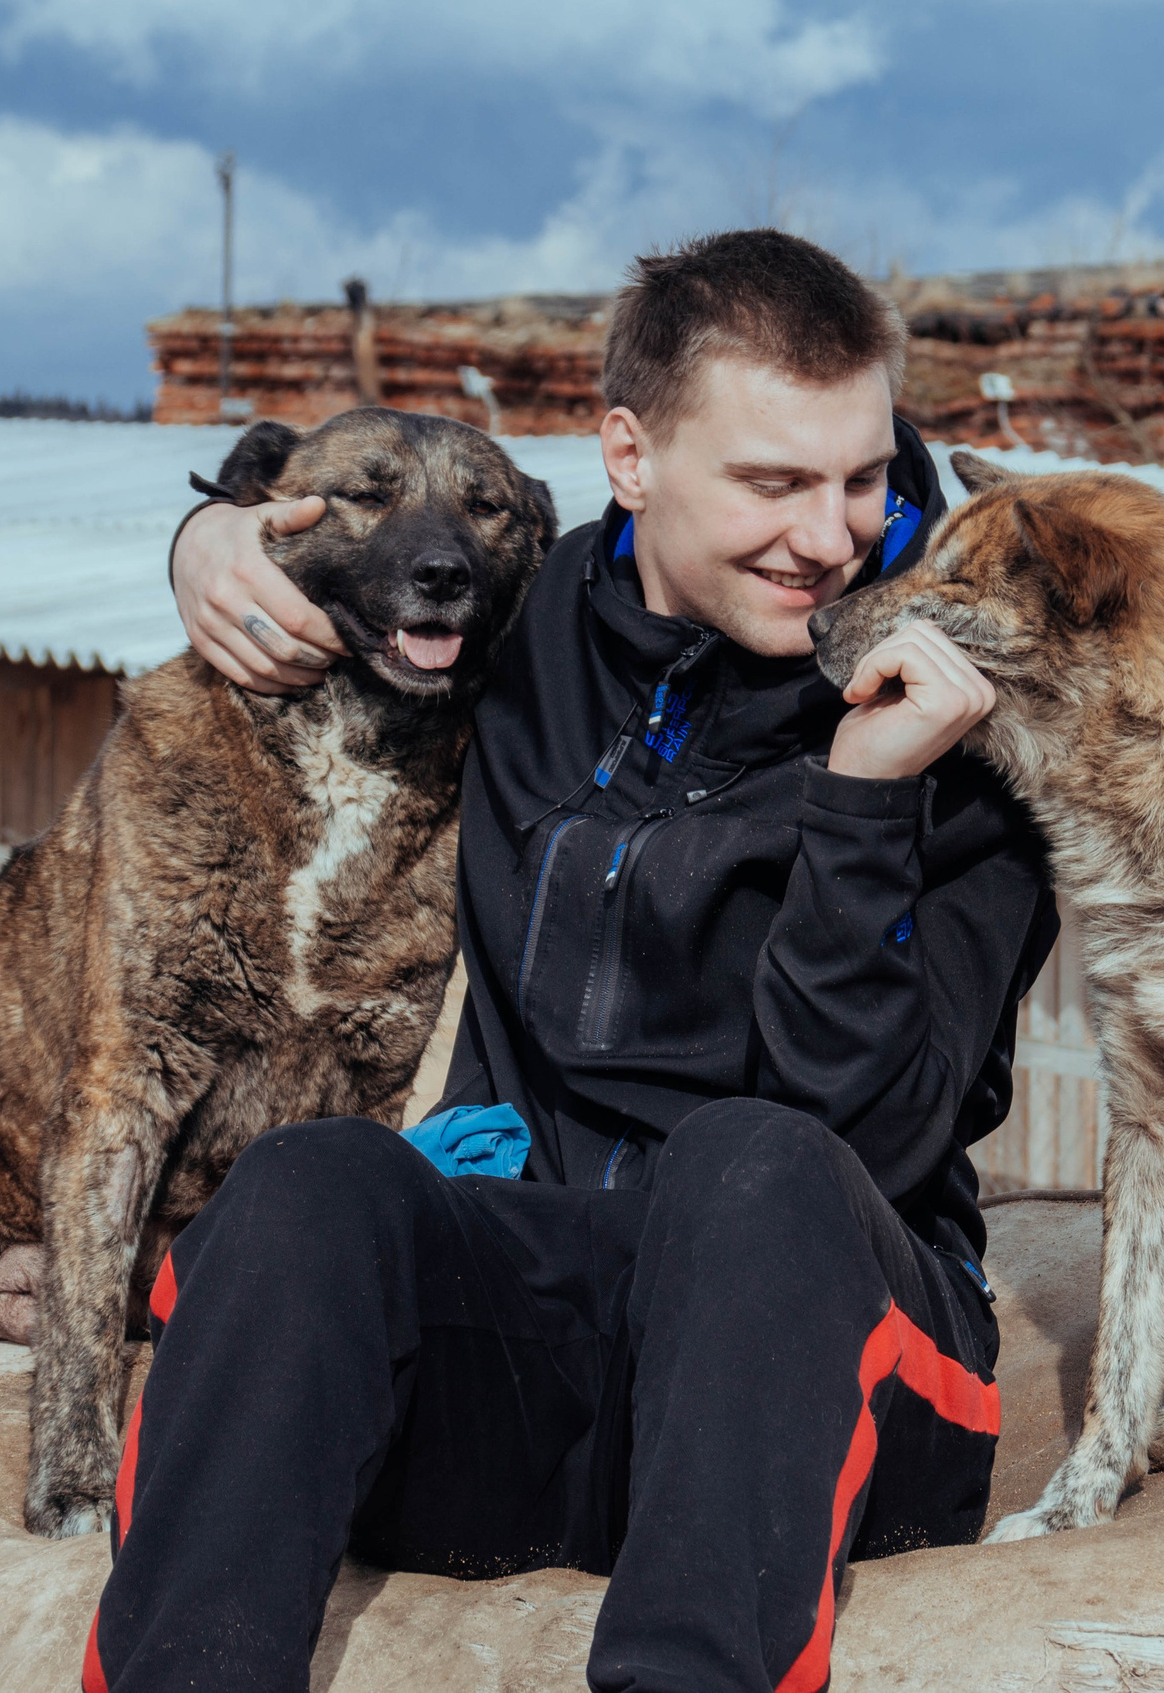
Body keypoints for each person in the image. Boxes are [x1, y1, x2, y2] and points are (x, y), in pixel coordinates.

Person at [84, 229, 1059, 1693]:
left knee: (750, 1166)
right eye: (772, 482)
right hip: (542, 1337)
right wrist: (209, 535)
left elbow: (872, 1127)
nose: (831, 532)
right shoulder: (531, 620)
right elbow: (363, 550)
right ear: (629, 458)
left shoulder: (971, 708)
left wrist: (862, 799)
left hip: (821, 1356)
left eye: (859, 475)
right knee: (312, 1185)